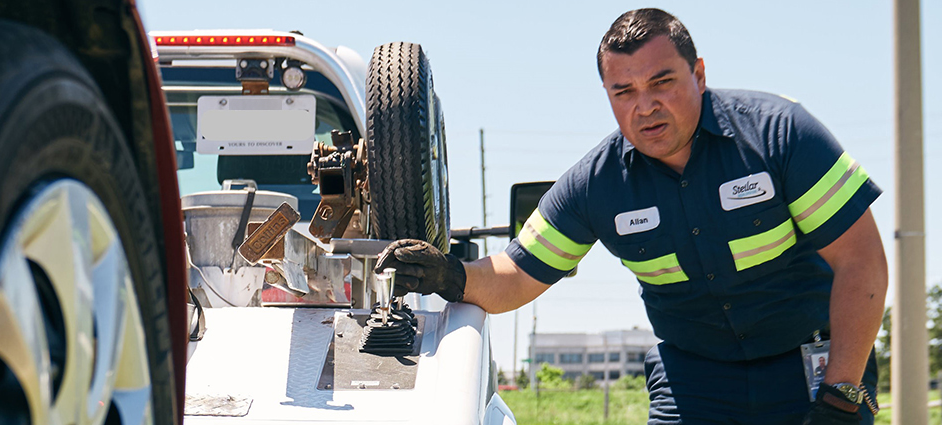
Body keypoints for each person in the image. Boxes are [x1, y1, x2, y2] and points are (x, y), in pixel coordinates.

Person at [375, 8, 886, 424]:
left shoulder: (780, 134)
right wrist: (448, 274)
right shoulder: (597, 184)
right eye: (625, 91)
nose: (645, 106)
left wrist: (842, 393)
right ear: (608, 96)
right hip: (695, 381)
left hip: (810, 369)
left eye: (662, 82)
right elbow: (515, 275)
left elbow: (861, 262)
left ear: (699, 74)